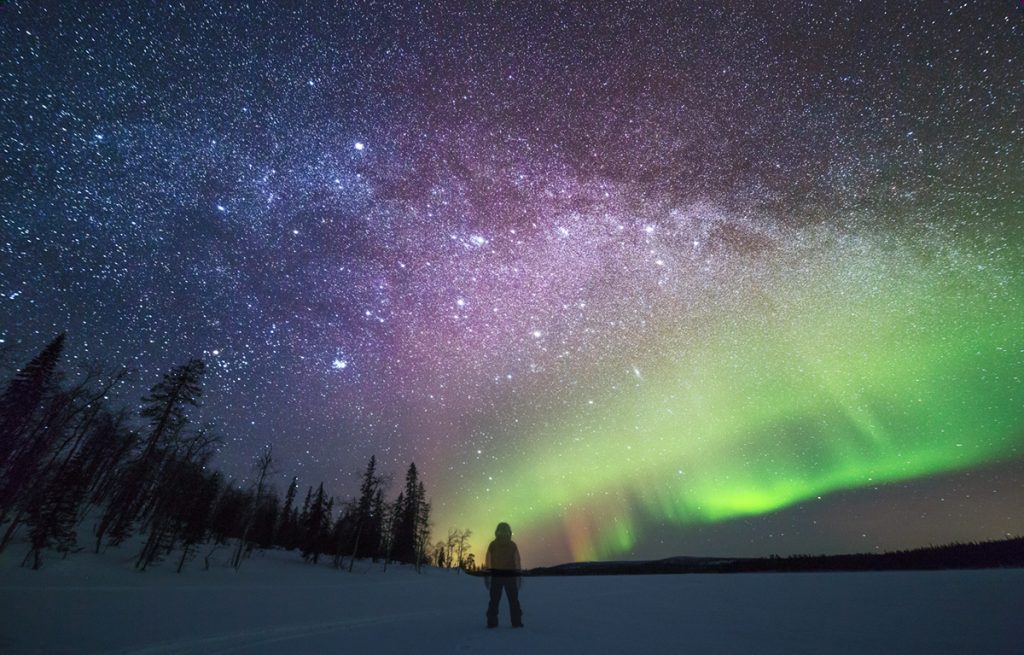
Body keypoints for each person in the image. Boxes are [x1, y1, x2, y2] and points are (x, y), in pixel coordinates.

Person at [484, 522, 523, 628]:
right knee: (513, 601)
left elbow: (488, 562)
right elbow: (517, 562)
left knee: (495, 601)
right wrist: (518, 576)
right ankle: (516, 622)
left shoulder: (494, 544)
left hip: (498, 576)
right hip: (508, 576)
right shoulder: (511, 545)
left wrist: (488, 576)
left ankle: (492, 623)